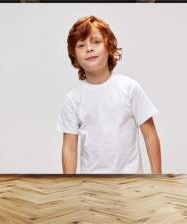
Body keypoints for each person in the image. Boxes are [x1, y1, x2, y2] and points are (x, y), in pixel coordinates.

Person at [56, 15, 161, 174]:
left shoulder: (130, 88)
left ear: (110, 47)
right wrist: (69, 187)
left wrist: (157, 177)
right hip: (91, 185)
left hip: (130, 181)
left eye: (96, 42)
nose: (89, 48)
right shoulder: (73, 99)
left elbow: (150, 135)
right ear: (75, 57)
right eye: (81, 45)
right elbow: (69, 147)